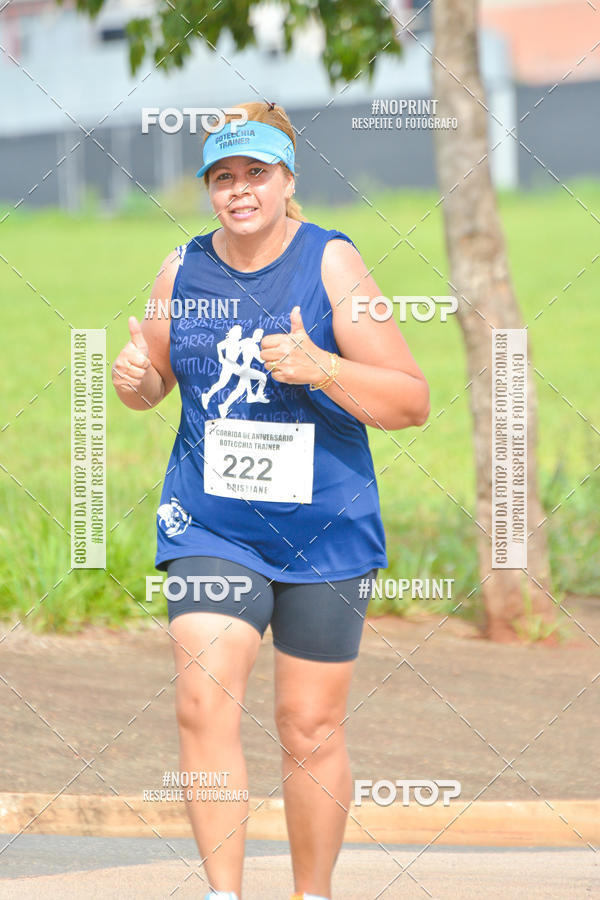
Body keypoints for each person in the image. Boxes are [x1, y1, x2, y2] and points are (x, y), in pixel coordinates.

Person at [112, 100, 429, 900]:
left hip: (326, 526)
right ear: (209, 189)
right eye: (223, 177)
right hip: (212, 522)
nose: (240, 190)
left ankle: (309, 893)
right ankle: (224, 894)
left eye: (256, 173)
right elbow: (152, 378)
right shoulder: (179, 269)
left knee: (309, 728)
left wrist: (322, 366)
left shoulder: (332, 263)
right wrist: (137, 380)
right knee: (202, 695)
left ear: (288, 180)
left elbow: (409, 402)